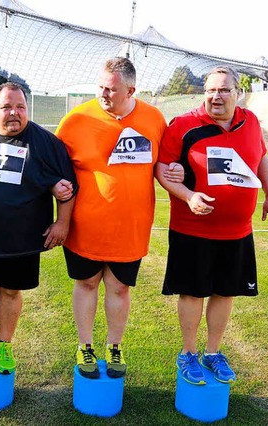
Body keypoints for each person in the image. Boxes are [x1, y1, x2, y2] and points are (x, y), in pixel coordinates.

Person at [54, 57, 181, 379]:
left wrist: (177, 172)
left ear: (131, 90)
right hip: (85, 225)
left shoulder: (153, 119)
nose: (103, 94)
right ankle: (85, 346)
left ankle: (114, 346)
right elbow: (53, 165)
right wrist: (56, 189)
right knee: (86, 283)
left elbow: (162, 165)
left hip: (131, 226)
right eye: (100, 87)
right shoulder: (76, 119)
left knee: (120, 287)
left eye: (111, 89)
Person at [156, 66, 268, 385]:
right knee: (193, 293)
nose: (216, 96)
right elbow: (163, 169)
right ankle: (189, 354)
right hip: (192, 229)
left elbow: (261, 157)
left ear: (238, 93)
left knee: (225, 292)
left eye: (223, 90)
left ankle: (213, 352)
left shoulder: (250, 121)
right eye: (210, 90)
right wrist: (188, 195)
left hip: (238, 231)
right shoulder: (183, 125)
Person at [0, 82, 77, 375]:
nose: (14, 113)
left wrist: (62, 222)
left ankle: (5, 345)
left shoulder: (46, 143)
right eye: (7, 107)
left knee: (10, 292)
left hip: (23, 239)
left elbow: (69, 187)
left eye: (20, 107)